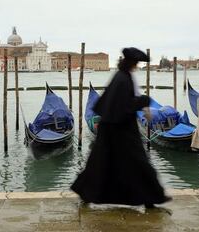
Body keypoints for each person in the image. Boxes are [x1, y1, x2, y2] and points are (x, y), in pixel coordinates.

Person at [71, 47, 171, 208]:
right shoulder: (123, 79)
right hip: (120, 129)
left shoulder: (122, 77)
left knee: (103, 163)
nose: (137, 65)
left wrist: (142, 104)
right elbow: (125, 105)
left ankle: (87, 193)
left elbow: (120, 103)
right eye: (136, 63)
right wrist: (145, 101)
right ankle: (150, 197)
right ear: (130, 62)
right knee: (135, 162)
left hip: (113, 128)